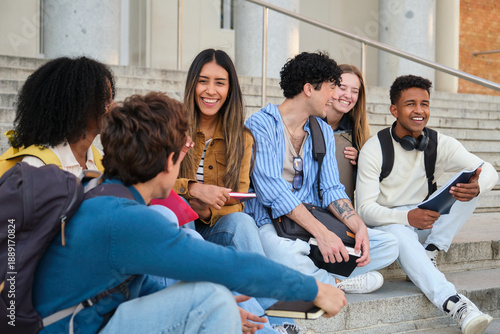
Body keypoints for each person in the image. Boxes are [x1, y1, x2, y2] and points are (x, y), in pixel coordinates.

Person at [32, 92, 347, 334]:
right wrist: (314, 289)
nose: (186, 154)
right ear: (169, 161)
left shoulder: (105, 195)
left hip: (87, 320)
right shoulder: (125, 218)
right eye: (185, 148)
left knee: (210, 300)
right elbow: (232, 266)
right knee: (211, 298)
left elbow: (135, 285)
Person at [244, 51, 399, 293]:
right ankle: (335, 283)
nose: (334, 96)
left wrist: (357, 225)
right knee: (283, 252)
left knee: (389, 245)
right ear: (309, 89)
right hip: (271, 223)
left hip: (312, 223)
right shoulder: (260, 124)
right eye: (331, 88)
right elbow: (271, 192)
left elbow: (331, 189)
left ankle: (311, 271)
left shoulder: (322, 130)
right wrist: (322, 233)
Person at [355, 75, 497, 334]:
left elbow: (487, 168)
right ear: (394, 110)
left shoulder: (437, 142)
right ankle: (455, 304)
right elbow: (364, 210)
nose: (419, 110)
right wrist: (406, 217)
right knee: (398, 233)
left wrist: (479, 185)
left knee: (471, 182)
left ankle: (430, 250)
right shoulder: (374, 149)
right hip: (390, 224)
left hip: (425, 220)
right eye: (410, 104)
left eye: (425, 104)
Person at [174, 48, 260, 251]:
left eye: (219, 83)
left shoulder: (242, 138)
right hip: (176, 225)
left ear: (229, 89)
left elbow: (238, 202)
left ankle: (262, 281)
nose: (210, 91)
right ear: (192, 84)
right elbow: (153, 183)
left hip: (215, 227)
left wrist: (206, 212)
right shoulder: (173, 127)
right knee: (180, 212)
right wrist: (194, 189)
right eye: (203, 81)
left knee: (243, 222)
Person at [0, 56, 116, 176]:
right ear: (79, 106)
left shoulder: (103, 161)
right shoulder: (36, 166)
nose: (114, 107)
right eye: (106, 100)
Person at [324, 64, 370, 201]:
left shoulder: (356, 129)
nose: (348, 95)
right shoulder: (309, 122)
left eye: (355, 91)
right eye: (342, 88)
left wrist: (360, 160)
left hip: (342, 206)